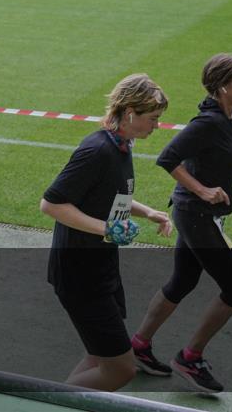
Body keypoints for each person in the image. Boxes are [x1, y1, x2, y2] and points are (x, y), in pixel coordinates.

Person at [130, 54, 232, 394]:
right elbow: (167, 158)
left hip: (200, 216)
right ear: (224, 86)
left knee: (182, 281)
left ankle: (139, 345)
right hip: (195, 215)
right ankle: (190, 357)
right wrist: (202, 190)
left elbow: (219, 155)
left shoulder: (231, 115)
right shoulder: (206, 122)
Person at [40, 74, 173, 392]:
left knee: (101, 358)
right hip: (80, 276)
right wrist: (107, 228)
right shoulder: (97, 150)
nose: (157, 126)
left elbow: (112, 194)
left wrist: (148, 212)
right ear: (130, 113)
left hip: (101, 269)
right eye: (153, 119)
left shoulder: (122, 145)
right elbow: (51, 204)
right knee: (120, 370)